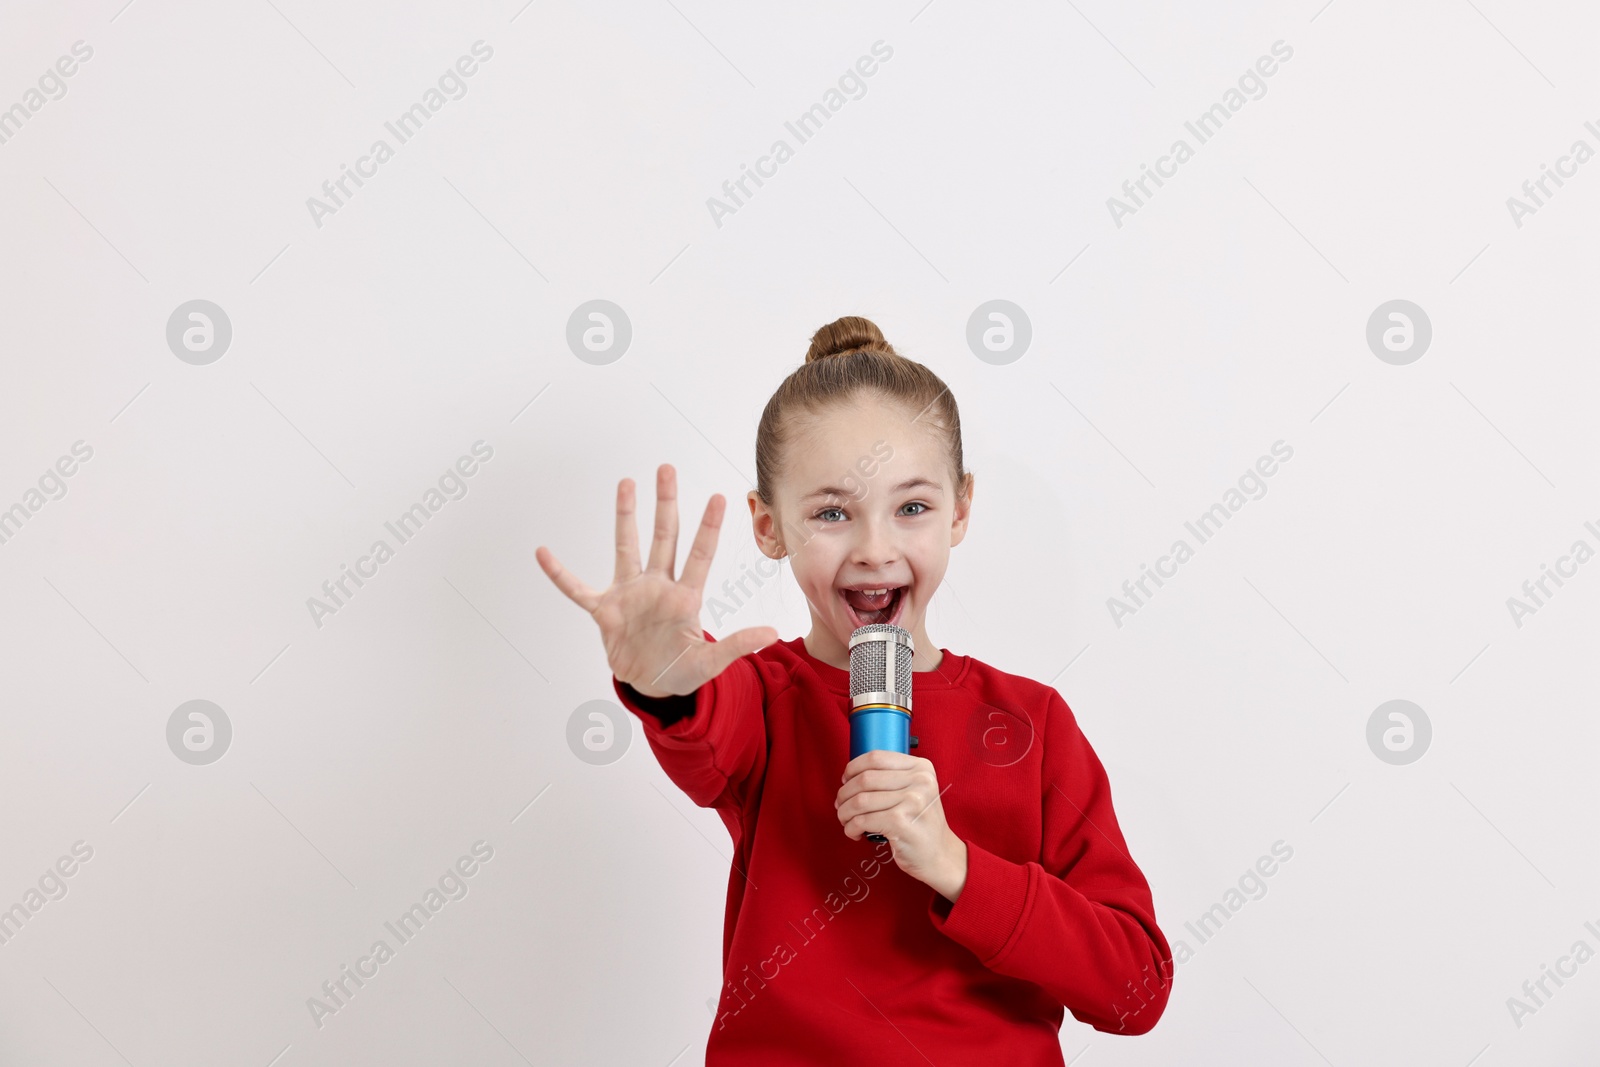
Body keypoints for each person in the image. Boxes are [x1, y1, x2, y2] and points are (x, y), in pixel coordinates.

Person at [536, 315, 1173, 1064]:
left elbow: (1135, 988)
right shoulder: (762, 696)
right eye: (832, 513)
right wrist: (666, 684)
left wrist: (953, 862)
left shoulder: (1031, 723)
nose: (875, 548)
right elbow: (705, 729)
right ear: (768, 527)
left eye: (912, 507)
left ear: (961, 508)